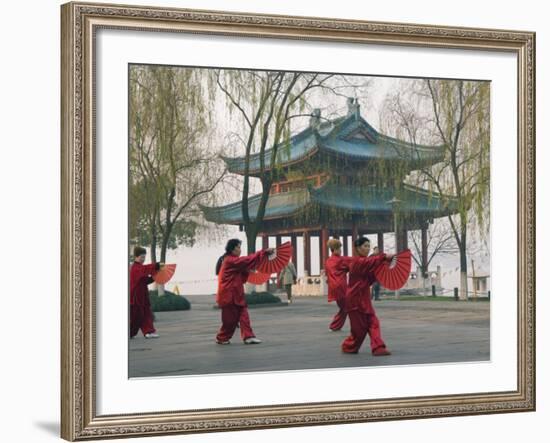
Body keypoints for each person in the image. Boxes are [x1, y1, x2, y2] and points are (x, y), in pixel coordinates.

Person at [215, 239, 274, 345]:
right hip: (228, 295)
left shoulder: (232, 261)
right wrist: (263, 252)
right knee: (230, 321)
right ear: (232, 249)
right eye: (238, 247)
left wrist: (248, 269)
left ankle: (248, 336)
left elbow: (244, 267)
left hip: (236, 294)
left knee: (243, 314)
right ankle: (222, 337)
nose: (240, 250)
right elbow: (246, 260)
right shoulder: (230, 260)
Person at [341, 237, 394, 355]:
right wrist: (383, 256)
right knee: (359, 332)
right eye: (365, 246)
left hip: (364, 298)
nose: (367, 248)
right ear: (358, 248)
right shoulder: (356, 262)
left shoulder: (365, 262)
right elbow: (369, 262)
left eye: (368, 246)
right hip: (354, 300)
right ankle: (348, 346)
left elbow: (371, 275)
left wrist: (385, 263)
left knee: (373, 322)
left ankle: (378, 347)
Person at [129, 246, 161, 339]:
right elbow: (145, 269)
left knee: (146, 314)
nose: (143, 259)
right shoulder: (135, 268)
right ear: (136, 257)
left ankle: (149, 331)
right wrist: (157, 265)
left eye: (144, 257)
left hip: (143, 296)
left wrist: (154, 277)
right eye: (141, 257)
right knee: (135, 317)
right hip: (135, 297)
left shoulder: (140, 268)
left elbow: (145, 280)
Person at [325, 238, 352, 331]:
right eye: (339, 248)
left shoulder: (328, 261)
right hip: (341, 287)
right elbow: (353, 263)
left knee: (345, 307)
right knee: (346, 307)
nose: (341, 250)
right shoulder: (341, 260)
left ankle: (335, 326)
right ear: (335, 249)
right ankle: (334, 326)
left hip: (333, 288)